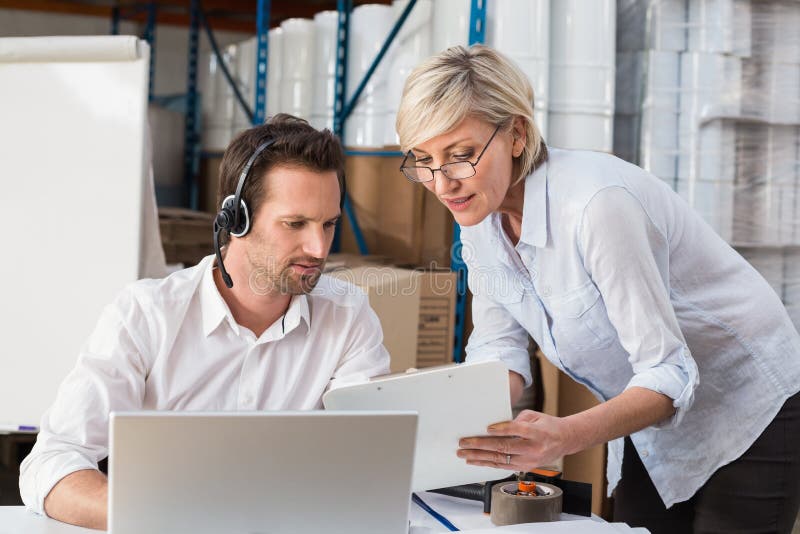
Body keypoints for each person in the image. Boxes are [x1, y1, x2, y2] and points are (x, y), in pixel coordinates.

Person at [395, 45, 800, 533]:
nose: (442, 184)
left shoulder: (596, 207)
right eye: (424, 161)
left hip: (744, 400)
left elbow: (669, 370)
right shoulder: (480, 217)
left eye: (461, 156)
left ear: (517, 134)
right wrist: (448, 415)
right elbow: (500, 346)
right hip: (648, 411)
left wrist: (564, 436)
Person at [19, 115, 390, 529]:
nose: (318, 247)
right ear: (237, 219)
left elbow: (368, 460)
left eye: (328, 224)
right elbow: (51, 462)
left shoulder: (348, 315)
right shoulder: (147, 314)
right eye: (295, 224)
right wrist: (158, 517)